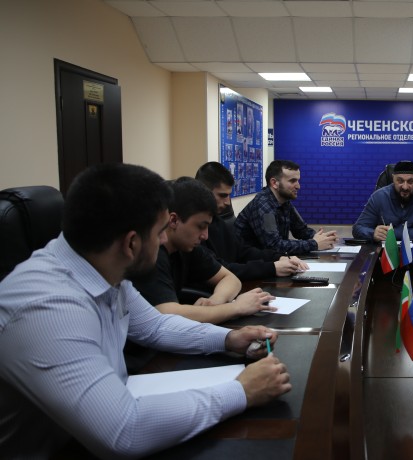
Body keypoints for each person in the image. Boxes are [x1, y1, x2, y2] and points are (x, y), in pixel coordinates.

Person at [0, 163, 291, 458]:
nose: (165, 240)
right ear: (131, 243)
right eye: (161, 231)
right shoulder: (46, 307)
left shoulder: (101, 269)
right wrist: (241, 391)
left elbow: (155, 326)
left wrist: (228, 339)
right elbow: (124, 431)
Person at [130, 178, 276, 324]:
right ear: (173, 220)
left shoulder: (187, 247)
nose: (205, 235)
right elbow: (168, 314)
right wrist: (236, 308)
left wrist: (215, 301)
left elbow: (230, 278)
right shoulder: (152, 254)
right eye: (200, 226)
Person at [195, 162, 307, 280]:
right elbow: (219, 269)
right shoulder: (195, 231)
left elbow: (243, 251)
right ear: (204, 193)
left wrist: (279, 257)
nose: (228, 202)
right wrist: (272, 268)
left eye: (229, 195)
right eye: (223, 195)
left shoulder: (217, 221)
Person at [234, 160, 338, 255]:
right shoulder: (263, 205)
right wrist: (314, 244)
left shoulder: (284, 202)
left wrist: (321, 238)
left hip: (271, 260)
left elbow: (301, 230)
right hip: (252, 262)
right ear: (274, 183)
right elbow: (274, 246)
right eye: (292, 181)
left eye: (298, 181)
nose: (298, 186)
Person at [352, 160, 413, 242]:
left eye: (410, 181)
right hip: (386, 250)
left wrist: (392, 234)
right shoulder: (378, 196)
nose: (405, 187)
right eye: (400, 181)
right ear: (393, 178)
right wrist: (373, 234)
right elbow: (358, 229)